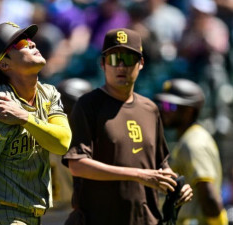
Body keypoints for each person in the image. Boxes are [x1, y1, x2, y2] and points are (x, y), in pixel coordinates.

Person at [61, 28, 193, 225]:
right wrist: (138, 175)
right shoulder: (88, 105)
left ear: (141, 64)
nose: (121, 66)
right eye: (114, 59)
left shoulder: (150, 109)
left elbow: (160, 165)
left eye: (129, 59)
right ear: (103, 64)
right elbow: (77, 165)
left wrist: (176, 184)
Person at [0, 22, 72, 225]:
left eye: (30, 39)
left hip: (35, 216)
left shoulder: (48, 93)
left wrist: (24, 117)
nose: (31, 44)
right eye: (21, 42)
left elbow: (62, 142)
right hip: (3, 214)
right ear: (3, 64)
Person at [155, 78, 228, 225]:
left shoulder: (194, 142)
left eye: (171, 106)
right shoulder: (188, 138)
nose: (164, 110)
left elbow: (209, 197)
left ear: (188, 111)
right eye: (163, 104)